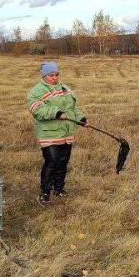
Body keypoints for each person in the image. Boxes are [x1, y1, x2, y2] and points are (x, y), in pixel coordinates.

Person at [27, 62, 87, 203]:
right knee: (52, 161)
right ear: (44, 76)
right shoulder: (36, 91)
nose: (55, 77)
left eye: (56, 74)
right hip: (48, 133)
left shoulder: (65, 88)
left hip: (66, 133)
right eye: (51, 75)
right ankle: (45, 192)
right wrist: (57, 113)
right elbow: (37, 110)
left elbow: (73, 108)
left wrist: (81, 118)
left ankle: (59, 189)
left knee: (63, 162)